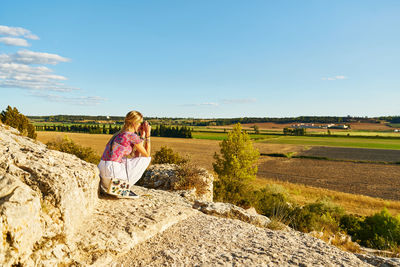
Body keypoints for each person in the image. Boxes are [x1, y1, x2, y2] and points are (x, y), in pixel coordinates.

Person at [98, 110, 151, 198]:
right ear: (134, 123)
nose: (140, 125)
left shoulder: (118, 134)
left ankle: (119, 187)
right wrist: (148, 135)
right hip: (112, 173)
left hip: (103, 172)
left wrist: (141, 134)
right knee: (146, 159)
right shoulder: (131, 135)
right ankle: (121, 188)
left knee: (129, 161)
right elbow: (146, 154)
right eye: (140, 123)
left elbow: (136, 155)